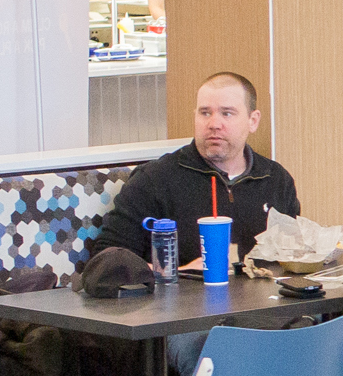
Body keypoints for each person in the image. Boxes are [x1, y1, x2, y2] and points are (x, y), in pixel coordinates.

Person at [90, 71, 300, 267]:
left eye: (227, 114)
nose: (214, 124)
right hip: (180, 303)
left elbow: (293, 255)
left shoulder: (275, 180)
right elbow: (106, 261)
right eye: (205, 113)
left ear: (252, 121)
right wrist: (178, 274)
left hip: (263, 303)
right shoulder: (155, 180)